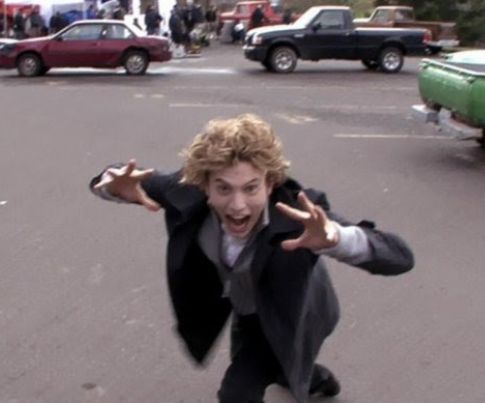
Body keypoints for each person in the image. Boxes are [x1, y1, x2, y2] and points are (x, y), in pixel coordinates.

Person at [89, 114, 414, 403]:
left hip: (295, 310)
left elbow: (400, 257)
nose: (238, 205)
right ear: (204, 186)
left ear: (271, 184)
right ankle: (315, 378)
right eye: (224, 189)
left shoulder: (299, 216)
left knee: (239, 390)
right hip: (245, 308)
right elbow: (112, 177)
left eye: (251, 188)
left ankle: (303, 373)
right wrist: (112, 187)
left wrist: (336, 239)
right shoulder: (185, 189)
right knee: (280, 366)